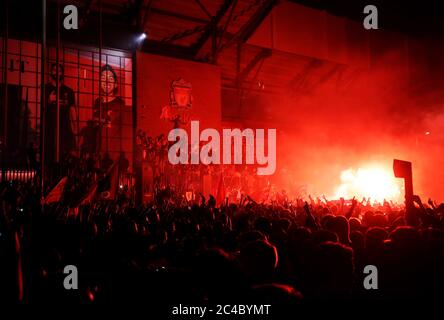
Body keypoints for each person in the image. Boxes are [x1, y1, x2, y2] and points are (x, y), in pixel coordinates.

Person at [44, 63, 77, 165]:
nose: (57, 73)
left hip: (65, 130)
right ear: (50, 72)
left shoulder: (69, 91)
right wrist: (49, 100)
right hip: (49, 130)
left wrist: (75, 127)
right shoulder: (45, 89)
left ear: (62, 73)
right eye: (54, 70)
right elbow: (39, 107)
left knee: (65, 159)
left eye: (59, 71)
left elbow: (72, 110)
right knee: (49, 158)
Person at [93, 64, 125, 160]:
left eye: (110, 78)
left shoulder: (120, 103)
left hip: (115, 150)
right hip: (99, 148)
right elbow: (94, 122)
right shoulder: (98, 101)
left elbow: (123, 126)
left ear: (115, 84)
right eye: (103, 78)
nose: (106, 81)